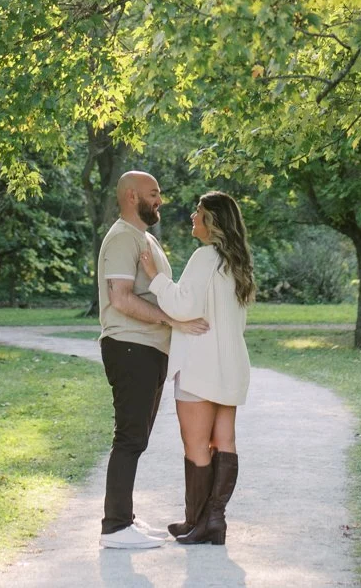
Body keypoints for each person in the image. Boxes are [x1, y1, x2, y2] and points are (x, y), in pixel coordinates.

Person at [97, 170, 208, 551]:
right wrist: (170, 319)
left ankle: (123, 518)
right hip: (130, 346)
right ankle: (114, 528)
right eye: (153, 193)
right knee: (129, 437)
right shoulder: (122, 239)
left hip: (147, 348)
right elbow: (121, 298)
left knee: (136, 438)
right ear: (131, 196)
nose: (160, 199)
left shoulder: (142, 238)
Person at [146, 190, 254, 547]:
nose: (193, 216)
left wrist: (155, 277)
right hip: (231, 364)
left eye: (198, 212)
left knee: (195, 445)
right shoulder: (237, 262)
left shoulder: (204, 257)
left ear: (212, 222)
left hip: (201, 364)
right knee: (224, 441)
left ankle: (205, 521)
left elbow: (182, 305)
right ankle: (207, 521)